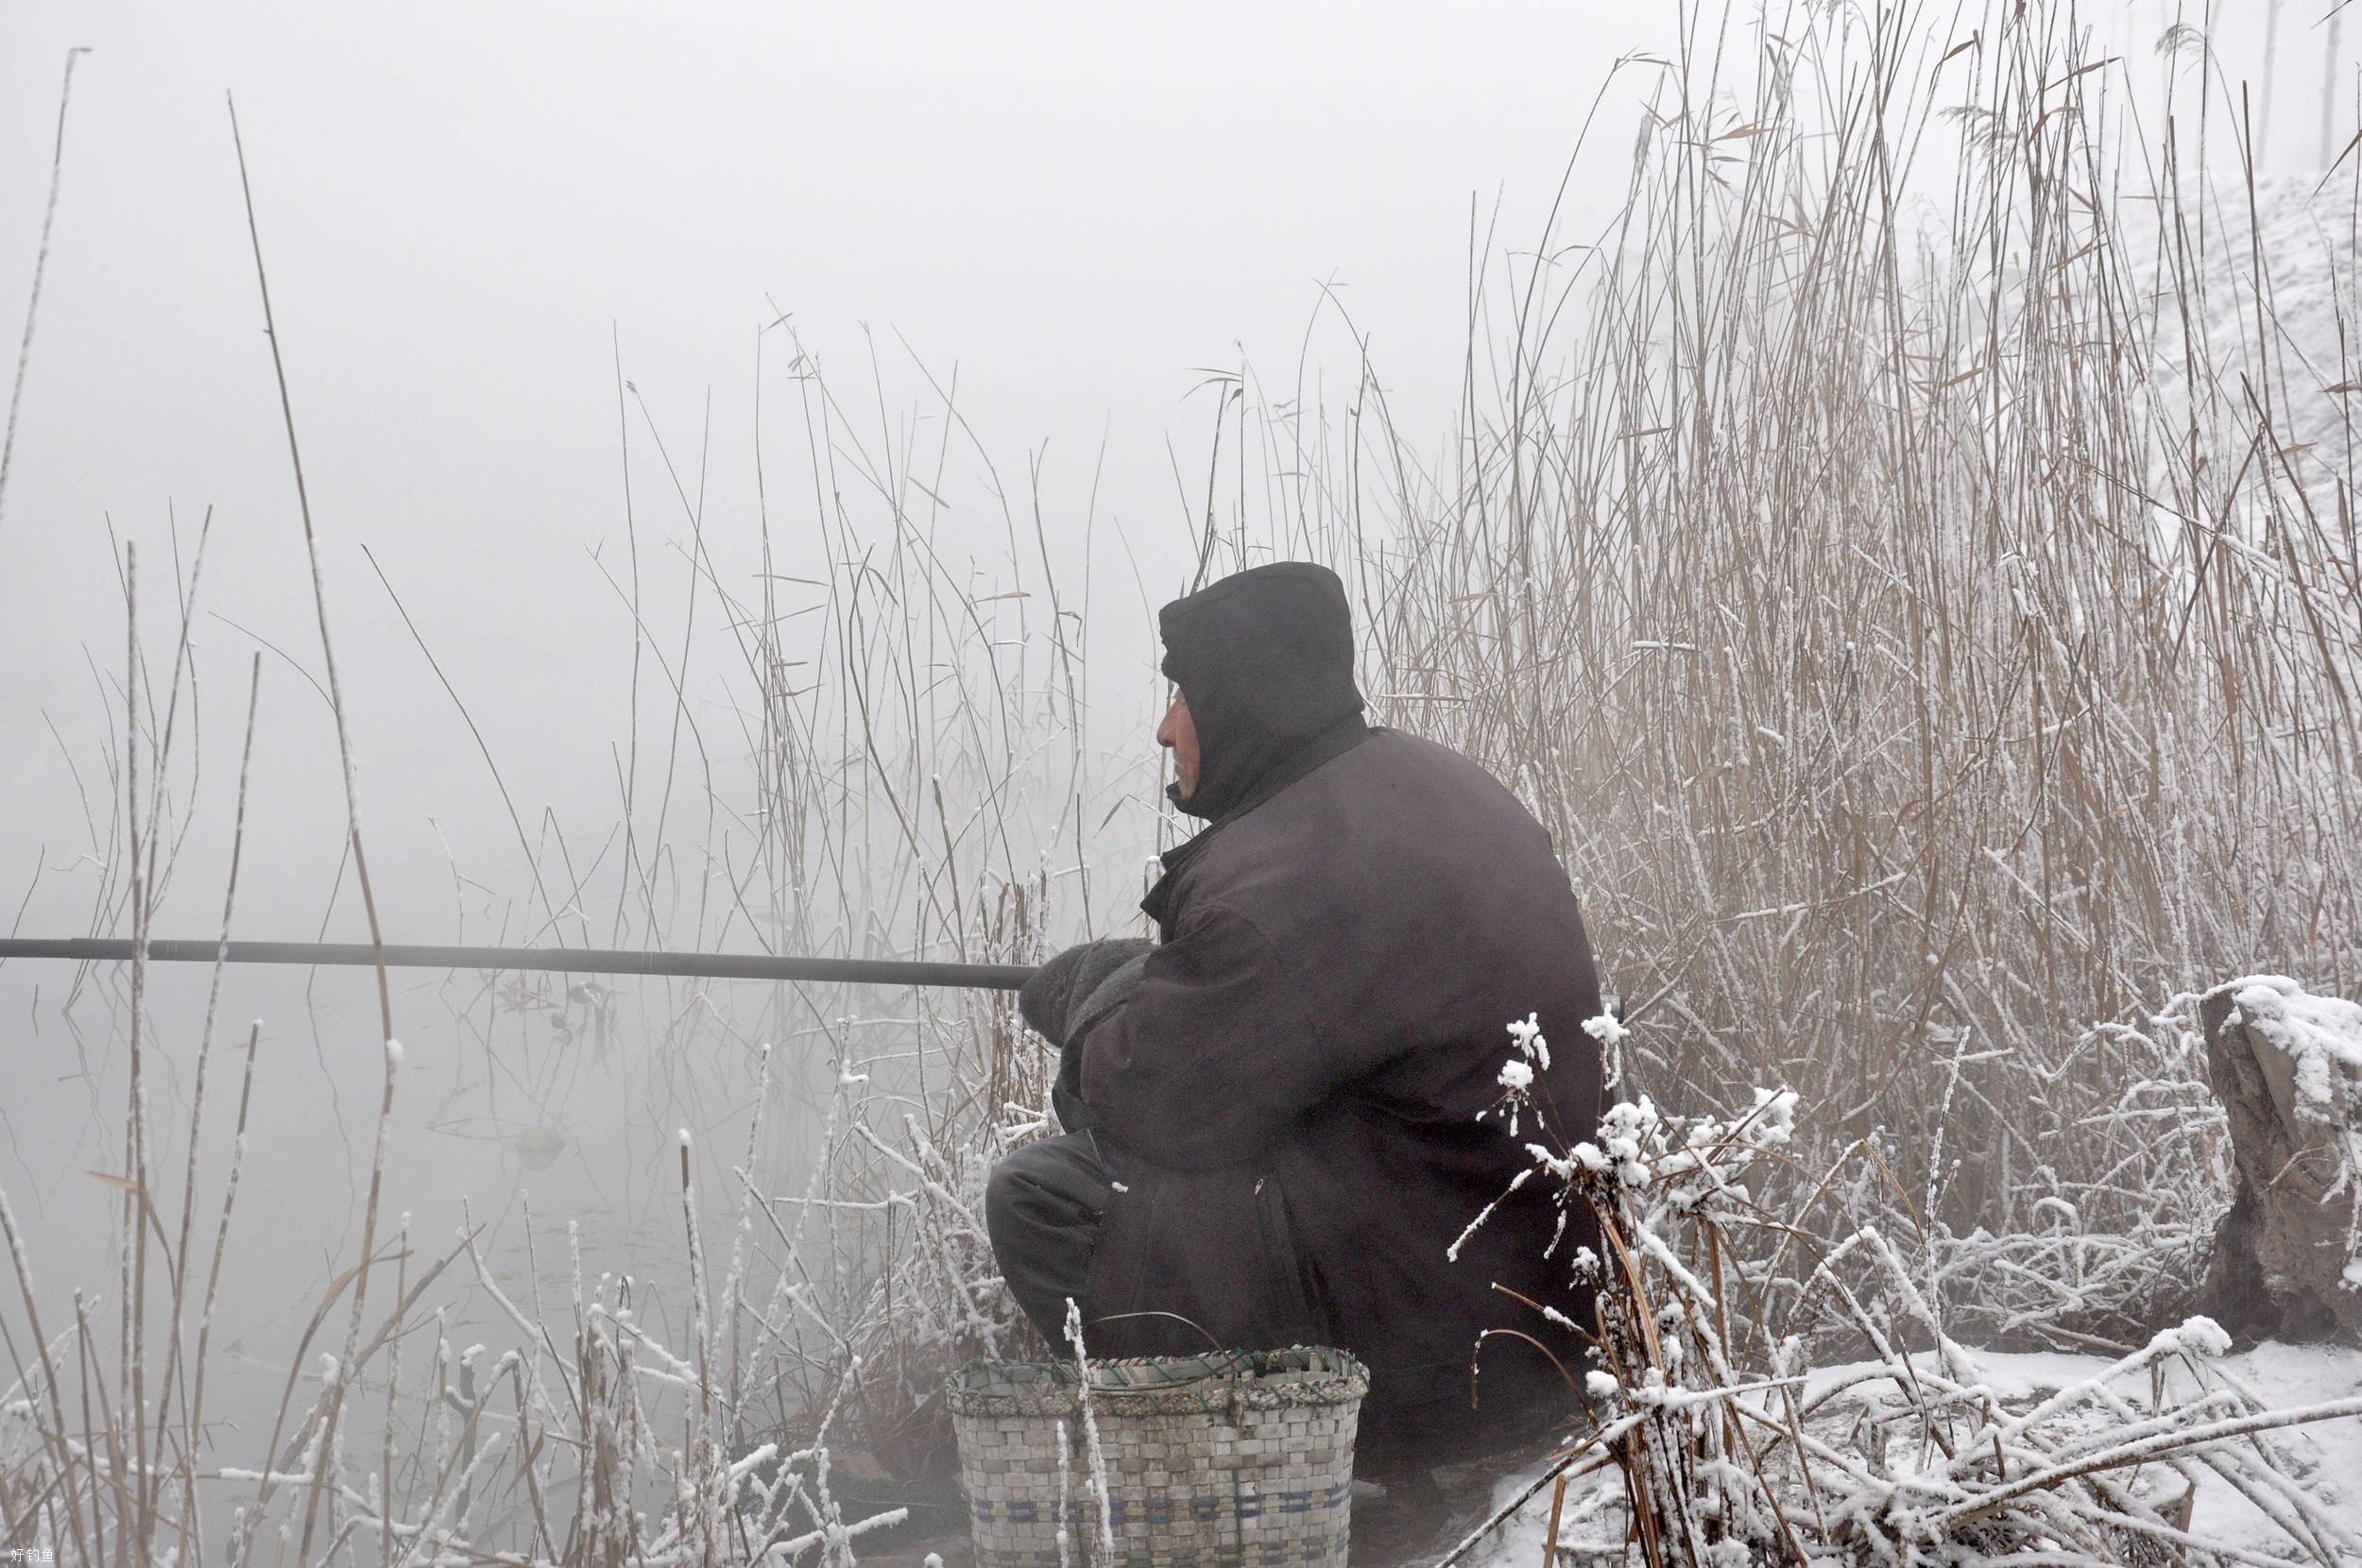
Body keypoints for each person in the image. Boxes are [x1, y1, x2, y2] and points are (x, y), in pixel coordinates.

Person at [984, 560, 1604, 1476]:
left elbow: (1138, 1106)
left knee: (1040, 1195)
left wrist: (1094, 996)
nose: (1164, 728)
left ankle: (1263, 1469)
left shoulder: (1278, 888)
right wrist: (1154, 974)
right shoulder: (1444, 788)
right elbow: (1321, 1011)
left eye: (1183, 696)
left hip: (1443, 1355)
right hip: (1543, 1301)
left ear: (1240, 700)